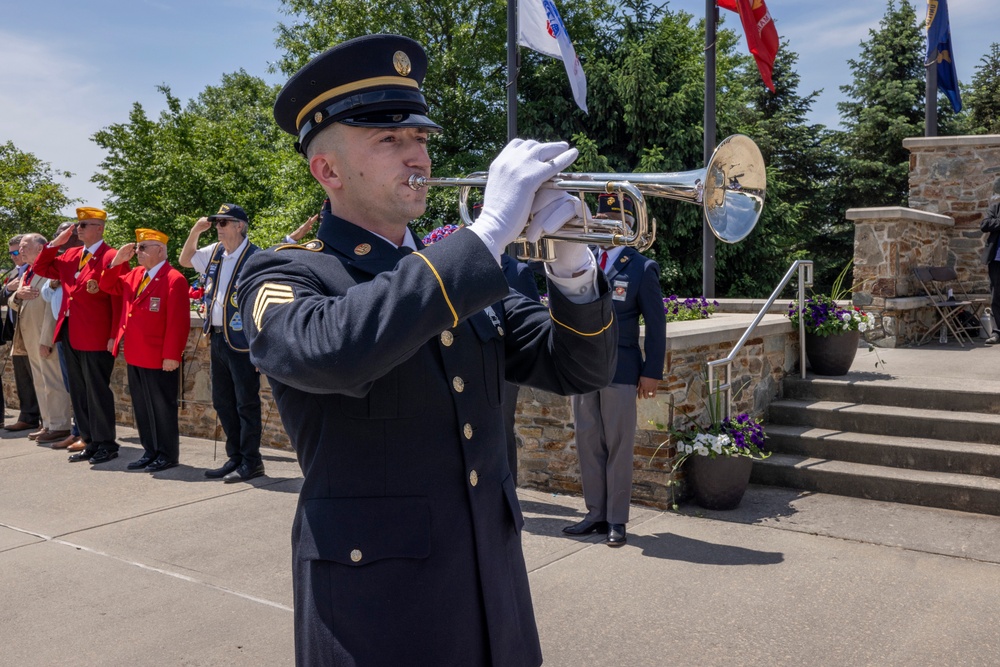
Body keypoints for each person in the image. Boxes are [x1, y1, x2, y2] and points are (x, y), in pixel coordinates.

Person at [237, 34, 616, 666]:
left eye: (420, 139)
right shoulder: (286, 275)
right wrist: (489, 232)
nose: (417, 156)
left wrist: (573, 267)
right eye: (389, 141)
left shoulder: (457, 271)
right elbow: (334, 351)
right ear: (327, 170)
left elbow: (578, 366)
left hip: (494, 598)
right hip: (377, 613)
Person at [564, 193, 666, 547]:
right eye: (604, 219)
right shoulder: (581, 259)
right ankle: (595, 514)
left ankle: (617, 520)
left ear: (629, 226)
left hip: (621, 369)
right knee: (587, 441)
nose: (609, 225)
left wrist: (652, 371)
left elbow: (656, 325)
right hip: (581, 366)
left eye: (617, 220)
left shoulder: (641, 267)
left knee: (619, 445)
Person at [179, 203, 265, 483]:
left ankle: (252, 462)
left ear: (240, 225)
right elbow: (185, 259)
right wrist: (195, 230)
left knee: (246, 404)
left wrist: (259, 347)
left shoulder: (256, 257)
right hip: (217, 336)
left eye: (223, 223)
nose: (217, 227)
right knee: (223, 401)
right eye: (216, 222)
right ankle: (235, 457)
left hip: (242, 342)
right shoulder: (215, 252)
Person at [33, 208, 122, 464]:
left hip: (96, 334)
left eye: (84, 225)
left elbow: (117, 299)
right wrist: (54, 244)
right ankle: (90, 440)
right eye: (78, 226)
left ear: (100, 228)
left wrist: (114, 334)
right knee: (79, 391)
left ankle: (107, 443)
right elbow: (41, 267)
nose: (78, 230)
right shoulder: (71, 254)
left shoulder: (111, 256)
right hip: (70, 331)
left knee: (96, 391)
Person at [100, 229, 190, 471]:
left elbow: (178, 322)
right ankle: (150, 451)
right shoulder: (136, 274)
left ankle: (167, 454)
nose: (137, 252)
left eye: (143, 248)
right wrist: (117, 261)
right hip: (136, 353)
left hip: (159, 356)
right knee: (142, 406)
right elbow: (107, 286)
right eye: (137, 247)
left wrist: (172, 355)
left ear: (160, 250)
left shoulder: (174, 279)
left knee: (162, 407)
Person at [8, 234, 73, 445]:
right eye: (19, 248)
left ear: (40, 248)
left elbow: (51, 309)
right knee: (40, 381)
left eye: (25, 247)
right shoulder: (27, 271)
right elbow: (13, 301)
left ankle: (59, 425)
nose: (21, 251)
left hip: (45, 336)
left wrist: (47, 339)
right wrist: (18, 295)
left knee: (53, 381)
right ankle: (47, 423)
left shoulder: (49, 270)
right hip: (30, 336)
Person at [38, 221, 84, 450]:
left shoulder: (83, 258)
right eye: (58, 234)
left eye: (66, 234)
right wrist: (55, 245)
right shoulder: (63, 260)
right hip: (63, 329)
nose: (61, 237)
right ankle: (78, 432)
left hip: (83, 329)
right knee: (71, 386)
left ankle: (88, 434)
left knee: (85, 386)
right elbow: (45, 290)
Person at [3, 234, 41, 432]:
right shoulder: (12, 274)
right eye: (12, 254)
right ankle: (28, 417)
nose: (16, 256)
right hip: (17, 333)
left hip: (33, 331)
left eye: (19, 251)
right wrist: (8, 289)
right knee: (23, 378)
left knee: (38, 377)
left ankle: (47, 420)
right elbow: (3, 299)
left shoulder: (36, 270)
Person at [980, 179, 1000, 345]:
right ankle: (996, 332)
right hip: (996, 259)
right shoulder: (995, 208)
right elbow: (985, 224)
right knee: (996, 297)